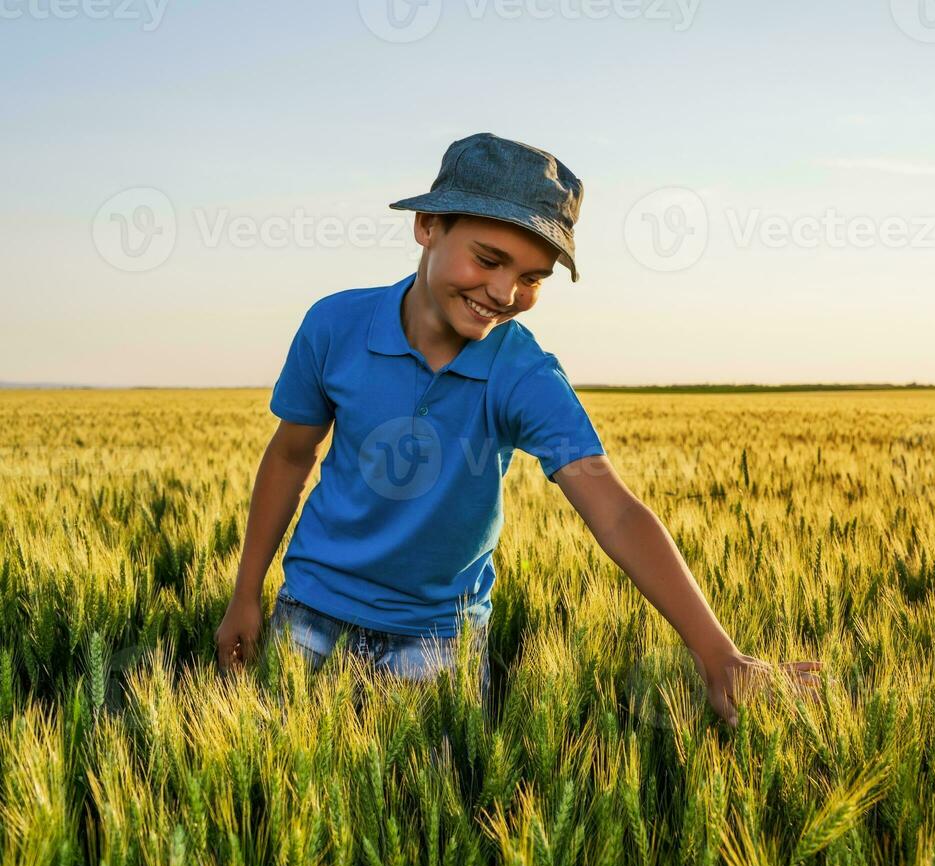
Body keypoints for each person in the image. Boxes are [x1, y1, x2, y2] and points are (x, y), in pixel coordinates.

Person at [212, 132, 821, 725]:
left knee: (430, 817)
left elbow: (615, 511)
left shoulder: (523, 374)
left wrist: (719, 653)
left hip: (440, 645)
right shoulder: (334, 326)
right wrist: (246, 593)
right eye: (488, 259)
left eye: (532, 278)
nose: (504, 292)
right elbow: (293, 456)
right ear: (428, 226)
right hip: (311, 615)